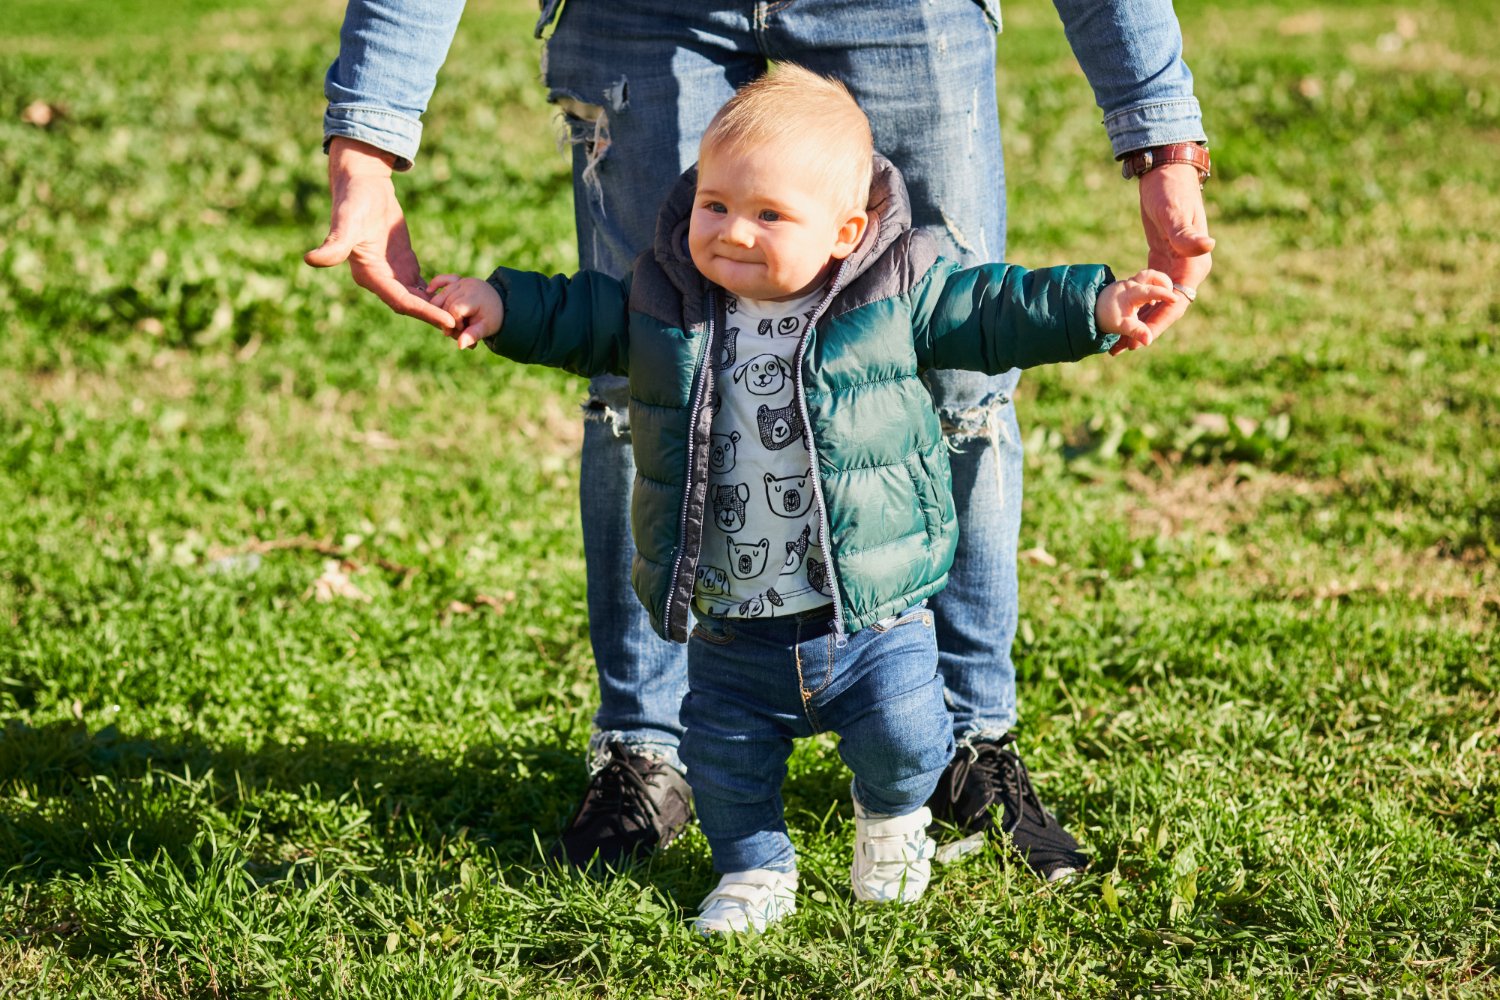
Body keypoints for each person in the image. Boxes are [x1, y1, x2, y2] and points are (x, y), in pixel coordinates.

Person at [306, 0, 1214, 877]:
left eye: (762, 220)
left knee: (961, 380)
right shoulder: (673, 271)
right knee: (647, 377)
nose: (734, 232)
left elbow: (986, 309)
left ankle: (966, 744)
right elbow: (597, 317)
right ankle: (646, 754)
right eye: (714, 209)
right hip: (648, 15)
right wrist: (379, 149)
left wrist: (1145, 176)